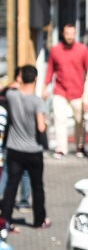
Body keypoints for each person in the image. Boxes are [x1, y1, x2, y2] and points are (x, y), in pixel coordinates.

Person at [1, 66, 50, 232]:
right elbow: (41, 127)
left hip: (14, 149)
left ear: (20, 78)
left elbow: (3, 90)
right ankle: (39, 220)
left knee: (11, 187)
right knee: (37, 186)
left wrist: (14, 83)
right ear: (36, 79)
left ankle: (6, 221)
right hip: (33, 151)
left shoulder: (12, 95)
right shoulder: (37, 101)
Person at [43, 24, 88, 158]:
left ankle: (79, 147)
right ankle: (61, 149)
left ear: (75, 34)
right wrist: (45, 87)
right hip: (60, 90)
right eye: (67, 33)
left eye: (72, 33)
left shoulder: (82, 50)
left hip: (78, 91)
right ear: (63, 34)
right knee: (59, 119)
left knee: (79, 120)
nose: (69, 36)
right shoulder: (55, 50)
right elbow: (50, 70)